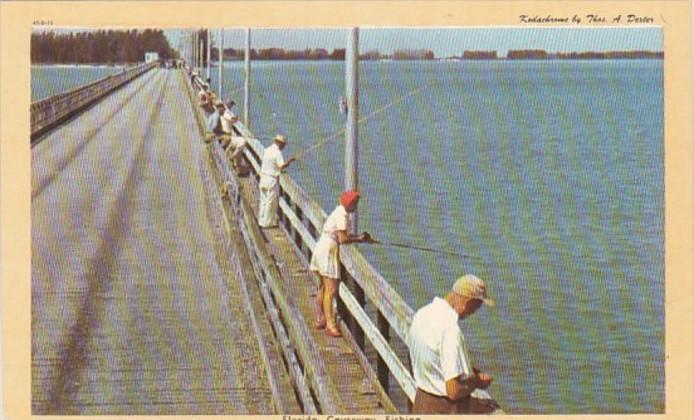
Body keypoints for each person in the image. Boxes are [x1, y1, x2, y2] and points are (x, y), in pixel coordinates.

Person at [408, 274, 496, 414]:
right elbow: (453, 391)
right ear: (468, 302)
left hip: (421, 401)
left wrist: (469, 371)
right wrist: (476, 382)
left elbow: (433, 359)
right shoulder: (450, 330)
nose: (475, 312)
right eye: (477, 306)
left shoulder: (422, 314)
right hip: (442, 409)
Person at [310, 191, 373, 337]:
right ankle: (330, 325)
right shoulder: (343, 215)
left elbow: (341, 235)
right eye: (355, 203)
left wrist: (360, 238)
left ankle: (321, 318)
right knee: (331, 290)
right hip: (328, 250)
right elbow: (343, 239)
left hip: (322, 246)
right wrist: (358, 240)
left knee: (322, 287)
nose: (356, 207)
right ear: (349, 203)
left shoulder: (338, 211)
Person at [258, 134, 295, 228]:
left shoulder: (267, 150)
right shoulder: (277, 152)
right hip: (271, 180)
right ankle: (267, 223)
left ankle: (261, 221)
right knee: (270, 202)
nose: (284, 147)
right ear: (281, 144)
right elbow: (281, 165)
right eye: (284, 145)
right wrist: (290, 161)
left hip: (263, 178)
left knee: (263, 201)